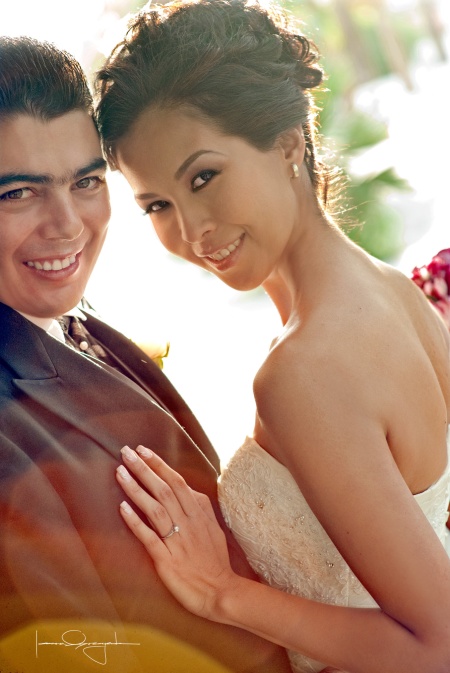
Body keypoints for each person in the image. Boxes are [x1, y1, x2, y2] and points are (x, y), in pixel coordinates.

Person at [94, 1, 450, 672]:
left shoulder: (303, 371)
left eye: (204, 177)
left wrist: (222, 592)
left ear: (288, 143)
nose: (192, 229)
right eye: (158, 206)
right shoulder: (396, 293)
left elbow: (437, 645)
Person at [0, 35, 292, 673]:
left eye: (85, 182)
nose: (67, 224)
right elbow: (49, 651)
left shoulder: (83, 329)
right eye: (17, 193)